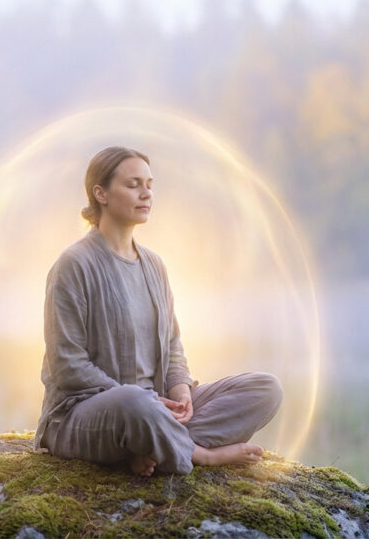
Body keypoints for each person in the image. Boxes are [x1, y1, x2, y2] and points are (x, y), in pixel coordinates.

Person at [33, 146, 283, 476]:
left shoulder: (154, 265)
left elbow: (173, 344)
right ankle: (198, 454)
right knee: (135, 405)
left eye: (149, 184)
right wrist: (145, 401)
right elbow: (68, 367)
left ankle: (150, 447)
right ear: (101, 193)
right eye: (133, 184)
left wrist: (180, 390)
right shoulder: (73, 265)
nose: (146, 193)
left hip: (156, 407)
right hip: (88, 412)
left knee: (265, 389)